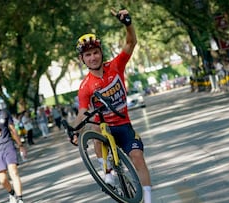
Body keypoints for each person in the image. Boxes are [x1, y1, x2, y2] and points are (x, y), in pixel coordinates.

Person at [71, 9, 152, 203]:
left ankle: (148, 199)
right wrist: (73, 130)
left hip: (124, 125)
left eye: (95, 52)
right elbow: (82, 111)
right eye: (88, 55)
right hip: (104, 128)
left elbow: (131, 43)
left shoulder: (115, 66)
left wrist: (128, 23)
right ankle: (107, 171)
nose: (93, 57)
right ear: (82, 59)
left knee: (138, 157)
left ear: (101, 53)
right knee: (94, 124)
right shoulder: (85, 87)